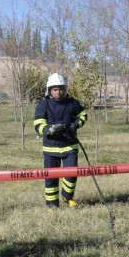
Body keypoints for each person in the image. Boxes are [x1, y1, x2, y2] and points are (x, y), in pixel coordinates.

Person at [32, 73, 87, 208]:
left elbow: (83, 115)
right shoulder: (43, 105)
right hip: (50, 148)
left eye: (61, 88)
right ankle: (52, 205)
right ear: (49, 90)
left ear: (65, 89)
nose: (58, 92)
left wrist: (75, 125)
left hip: (70, 146)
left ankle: (67, 197)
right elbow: (38, 122)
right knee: (50, 177)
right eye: (55, 89)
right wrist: (47, 130)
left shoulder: (73, 103)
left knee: (72, 174)